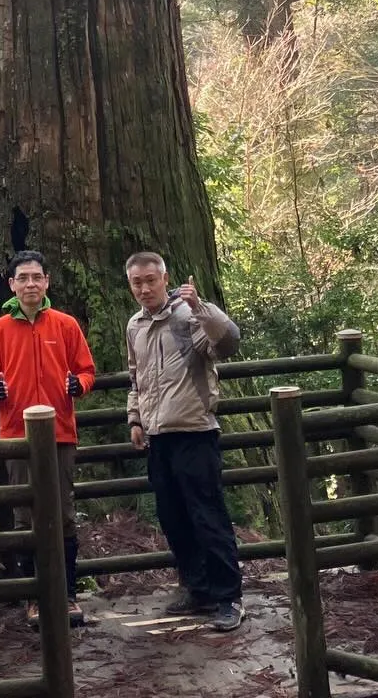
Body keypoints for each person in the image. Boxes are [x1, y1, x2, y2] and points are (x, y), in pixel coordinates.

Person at [124, 251, 245, 632]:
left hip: (195, 432)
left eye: (150, 280)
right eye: (137, 282)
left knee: (208, 517)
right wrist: (135, 419)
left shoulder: (188, 316)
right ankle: (198, 588)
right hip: (158, 438)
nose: (144, 288)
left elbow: (228, 343)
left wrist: (201, 306)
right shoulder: (135, 326)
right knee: (173, 518)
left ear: (165, 278)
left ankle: (229, 597)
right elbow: (136, 376)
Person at [0, 250, 95, 626]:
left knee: (63, 513)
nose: (30, 284)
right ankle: (33, 597)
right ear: (11, 284)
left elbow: (87, 370)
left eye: (36, 277)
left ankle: (68, 594)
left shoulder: (65, 325)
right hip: (16, 433)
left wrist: (79, 385)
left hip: (60, 432)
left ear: (46, 282)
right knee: (27, 514)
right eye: (22, 278)